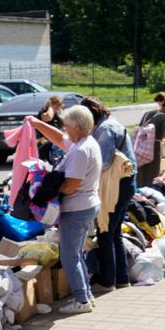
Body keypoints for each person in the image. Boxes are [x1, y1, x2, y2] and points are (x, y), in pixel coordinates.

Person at [27, 105, 102, 314]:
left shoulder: (80, 151)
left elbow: (70, 185)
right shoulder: (85, 142)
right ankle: (86, 295)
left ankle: (82, 301)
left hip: (77, 209)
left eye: (67, 125)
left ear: (77, 126)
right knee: (77, 253)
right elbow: (60, 139)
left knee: (70, 256)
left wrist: (44, 183)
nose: (65, 128)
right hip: (87, 206)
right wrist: (38, 124)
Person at [83, 96, 134, 289]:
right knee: (114, 233)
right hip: (124, 184)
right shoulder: (111, 123)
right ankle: (122, 279)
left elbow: (103, 162)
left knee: (105, 232)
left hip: (116, 186)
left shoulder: (105, 129)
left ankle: (107, 281)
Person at [37, 94, 66, 165]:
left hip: (56, 144)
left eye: (59, 106)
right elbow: (48, 117)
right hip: (44, 143)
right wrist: (50, 107)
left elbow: (65, 122)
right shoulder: (44, 112)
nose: (58, 108)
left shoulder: (57, 115)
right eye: (56, 106)